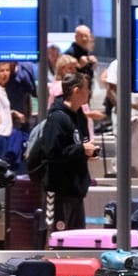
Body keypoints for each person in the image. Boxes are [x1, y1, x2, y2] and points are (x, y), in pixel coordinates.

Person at [39, 72, 98, 232]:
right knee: (55, 238)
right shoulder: (57, 118)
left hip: (76, 191)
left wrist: (88, 151)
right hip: (59, 191)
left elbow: (81, 143)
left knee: (75, 241)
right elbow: (52, 153)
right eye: (87, 88)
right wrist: (81, 149)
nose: (89, 92)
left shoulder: (80, 116)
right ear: (76, 90)